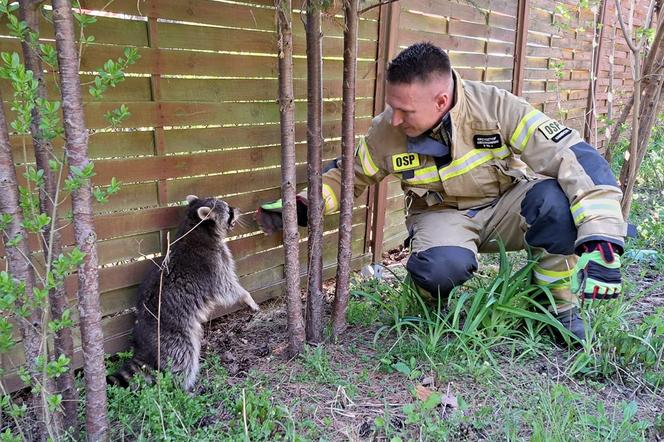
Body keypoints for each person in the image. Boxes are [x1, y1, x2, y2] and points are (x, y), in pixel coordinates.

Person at [256, 42, 627, 341]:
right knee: (439, 268)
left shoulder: (497, 108)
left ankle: (555, 305)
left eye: (404, 110)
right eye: (392, 107)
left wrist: (602, 239)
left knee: (556, 203)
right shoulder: (387, 131)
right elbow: (348, 176)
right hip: (441, 214)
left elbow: (574, 157)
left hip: (505, 206)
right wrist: (303, 204)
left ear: (440, 101)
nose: (395, 119)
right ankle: (433, 308)